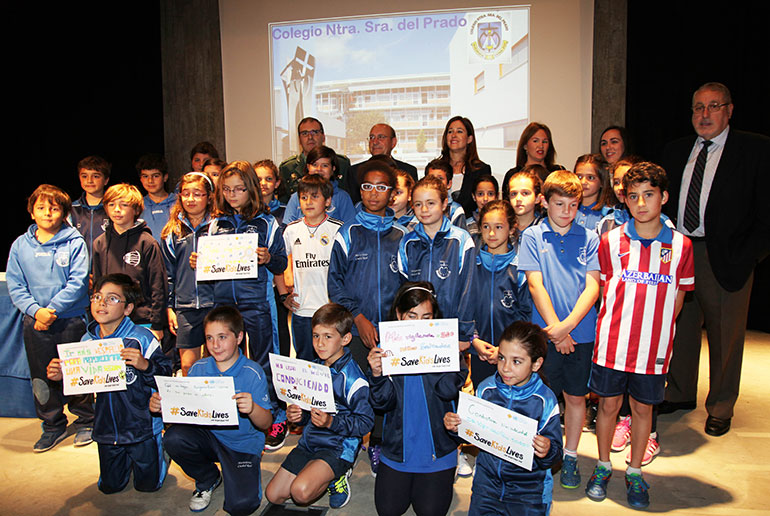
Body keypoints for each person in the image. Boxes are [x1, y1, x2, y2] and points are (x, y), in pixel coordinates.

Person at [660, 82, 770, 437]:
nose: (704, 115)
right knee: (681, 328)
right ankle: (679, 392)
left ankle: (721, 404)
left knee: (726, 335)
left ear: (729, 110)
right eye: (698, 108)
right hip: (681, 251)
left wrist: (750, 255)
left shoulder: (755, 149)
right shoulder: (676, 150)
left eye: (713, 106)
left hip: (727, 256)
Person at [585, 162, 694, 509]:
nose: (641, 203)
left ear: (664, 197)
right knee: (608, 407)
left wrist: (656, 328)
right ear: (624, 201)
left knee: (643, 411)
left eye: (649, 195)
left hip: (653, 349)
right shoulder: (611, 241)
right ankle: (603, 465)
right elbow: (604, 289)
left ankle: (634, 471)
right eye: (633, 196)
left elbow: (678, 298)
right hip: (612, 346)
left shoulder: (681, 246)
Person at [46, 274, 172, 494]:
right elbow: (81, 384)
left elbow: (166, 375)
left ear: (128, 308)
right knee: (109, 487)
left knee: (148, 487)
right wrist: (62, 376)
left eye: (112, 298)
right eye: (97, 297)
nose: (101, 303)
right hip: (106, 428)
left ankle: (161, 454)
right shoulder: (87, 342)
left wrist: (145, 365)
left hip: (141, 427)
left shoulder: (142, 338)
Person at [518, 170, 600, 490]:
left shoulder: (590, 237)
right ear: (544, 202)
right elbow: (536, 285)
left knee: (576, 398)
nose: (567, 211)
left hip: (580, 333)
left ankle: (569, 455)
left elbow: (593, 287)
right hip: (546, 335)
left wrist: (568, 328)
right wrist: (556, 331)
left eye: (573, 204)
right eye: (559, 204)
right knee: (544, 398)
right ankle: (543, 455)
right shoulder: (533, 237)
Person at [327, 160, 407, 476]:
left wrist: (399, 323)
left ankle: (378, 442)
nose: (374, 194)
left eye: (382, 187)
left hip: (394, 330)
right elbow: (335, 282)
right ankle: (348, 447)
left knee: (387, 389)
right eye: (367, 186)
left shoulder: (403, 234)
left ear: (392, 193)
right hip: (357, 329)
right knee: (357, 387)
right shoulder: (347, 233)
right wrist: (358, 317)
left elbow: (410, 284)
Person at [153, 306, 273, 515]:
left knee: (243, 506)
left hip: (241, 445)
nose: (215, 345)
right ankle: (207, 477)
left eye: (222, 337)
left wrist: (253, 408)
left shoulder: (253, 373)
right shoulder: (199, 368)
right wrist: (163, 406)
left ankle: (237, 472)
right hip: (208, 438)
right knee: (173, 438)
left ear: (239, 337)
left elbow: (266, 424)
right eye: (209, 338)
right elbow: (184, 411)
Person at [367, 282, 467, 516]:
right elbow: (382, 404)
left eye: (426, 317)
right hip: (397, 447)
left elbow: (446, 391)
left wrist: (432, 354)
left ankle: (449, 466)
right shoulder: (385, 351)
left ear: (435, 318)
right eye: (412, 316)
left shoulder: (449, 348)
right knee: (388, 509)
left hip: (438, 449)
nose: (419, 324)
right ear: (400, 315)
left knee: (430, 511)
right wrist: (377, 375)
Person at [207, 160, 288, 446]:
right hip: (224, 305)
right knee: (227, 358)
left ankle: (275, 416)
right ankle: (233, 412)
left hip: (258, 301)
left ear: (251, 188)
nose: (232, 195)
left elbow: (281, 260)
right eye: (227, 189)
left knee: (266, 357)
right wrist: (199, 261)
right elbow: (209, 264)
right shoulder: (216, 224)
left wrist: (268, 258)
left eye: (239, 189)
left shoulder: (268, 222)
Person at [7, 184, 93, 452]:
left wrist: (52, 310)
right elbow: (15, 285)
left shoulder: (75, 242)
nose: (47, 213)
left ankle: (86, 421)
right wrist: (37, 312)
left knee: (77, 372)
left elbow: (78, 282)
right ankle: (52, 425)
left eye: (54, 208)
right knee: (42, 377)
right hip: (36, 323)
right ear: (32, 212)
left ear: (64, 213)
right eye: (41, 208)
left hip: (71, 320)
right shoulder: (20, 245)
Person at [444, 321, 562, 516]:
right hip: (487, 486)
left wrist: (547, 449)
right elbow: (473, 434)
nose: (506, 368)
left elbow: (556, 454)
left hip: (528, 493)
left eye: (516, 361)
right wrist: (456, 427)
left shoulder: (545, 401)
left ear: (536, 363)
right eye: (501, 358)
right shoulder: (486, 389)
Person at [265, 303, 374, 510]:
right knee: (273, 495)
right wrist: (298, 415)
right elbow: (309, 411)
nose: (320, 343)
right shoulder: (313, 368)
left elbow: (365, 422)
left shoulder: (353, 379)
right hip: (310, 441)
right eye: (316, 336)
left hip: (337, 447)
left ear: (345, 339)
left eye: (328, 336)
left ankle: (338, 475)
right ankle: (316, 470)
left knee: (300, 492)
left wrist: (331, 421)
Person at [397, 175, 476, 347]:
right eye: (418, 204)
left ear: (444, 204)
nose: (424, 209)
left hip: (450, 332)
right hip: (415, 332)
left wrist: (463, 334)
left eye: (431, 203)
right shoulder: (407, 242)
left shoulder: (461, 240)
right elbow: (402, 289)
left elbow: (468, 291)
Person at [278, 175, 344, 361]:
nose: (308, 202)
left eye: (315, 196)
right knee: (305, 362)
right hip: (302, 311)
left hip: (330, 310)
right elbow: (278, 264)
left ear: (328, 200)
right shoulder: (291, 230)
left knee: (332, 361)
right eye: (304, 197)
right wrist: (284, 295)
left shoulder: (338, 229)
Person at [92, 183, 168, 341]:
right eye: (111, 204)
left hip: (142, 321)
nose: (117, 209)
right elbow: (97, 287)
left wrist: (157, 324)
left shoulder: (147, 243)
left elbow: (158, 286)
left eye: (124, 205)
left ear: (136, 209)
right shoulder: (100, 243)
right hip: (110, 322)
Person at [469, 200, 532, 388]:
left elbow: (526, 315)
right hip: (481, 350)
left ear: (512, 229)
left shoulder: (520, 269)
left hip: (513, 354)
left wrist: (504, 350)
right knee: (485, 402)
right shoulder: (472, 266)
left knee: (511, 406)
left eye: (499, 227)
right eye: (486, 227)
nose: (491, 233)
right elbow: (464, 308)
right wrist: (474, 340)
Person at [160, 171, 216, 376]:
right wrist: (170, 307)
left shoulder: (220, 226)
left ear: (209, 196)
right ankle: (195, 408)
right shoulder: (172, 231)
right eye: (186, 193)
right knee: (188, 367)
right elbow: (168, 274)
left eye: (198, 194)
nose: (191, 199)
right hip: (186, 307)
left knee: (217, 365)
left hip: (215, 304)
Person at [278, 117, 351, 202]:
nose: (310, 137)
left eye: (315, 132)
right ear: (299, 139)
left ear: (323, 137)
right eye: (305, 133)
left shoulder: (342, 163)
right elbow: (283, 205)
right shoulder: (287, 168)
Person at [283, 146, 356, 226]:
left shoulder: (342, 197)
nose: (319, 169)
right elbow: (288, 227)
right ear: (308, 167)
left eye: (325, 165)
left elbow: (349, 228)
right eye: (314, 165)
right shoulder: (296, 197)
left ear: (333, 168)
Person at [347, 124, 418, 204]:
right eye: (372, 137)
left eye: (381, 137)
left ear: (393, 142)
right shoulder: (354, 171)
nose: (375, 142)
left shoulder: (408, 171)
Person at [438, 116, 491, 217]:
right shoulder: (435, 168)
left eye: (459, 131)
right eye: (450, 132)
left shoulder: (481, 170)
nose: (453, 135)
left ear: (469, 139)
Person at [501, 122, 565, 195]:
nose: (541, 146)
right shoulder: (513, 174)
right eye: (535, 141)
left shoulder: (558, 172)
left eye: (545, 141)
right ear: (525, 145)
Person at [69, 155, 111, 262]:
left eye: (96, 176)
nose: (89, 180)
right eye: (84, 176)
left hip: (107, 269)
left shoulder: (113, 209)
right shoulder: (71, 209)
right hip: (79, 269)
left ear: (106, 180)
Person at [136, 153, 177, 242]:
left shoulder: (178, 203)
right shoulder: (137, 205)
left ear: (165, 177)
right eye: (145, 176)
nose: (150, 181)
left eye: (155, 176)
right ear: (140, 179)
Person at [574, 154, 614, 234]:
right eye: (579, 177)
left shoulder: (608, 214)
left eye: (590, 178)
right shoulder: (567, 210)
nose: (583, 182)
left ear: (602, 182)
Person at [424, 159, 468, 229]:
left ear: (449, 184)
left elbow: (461, 237)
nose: (435, 182)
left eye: (440, 178)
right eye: (431, 178)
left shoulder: (455, 210)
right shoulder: (420, 206)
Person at [506, 169, 545, 241]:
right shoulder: (503, 227)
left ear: (537, 198)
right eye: (513, 194)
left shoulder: (544, 228)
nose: (518, 199)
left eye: (525, 193)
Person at [465, 174, 499, 244]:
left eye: (490, 194)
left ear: (497, 196)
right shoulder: (467, 225)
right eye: (480, 194)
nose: (485, 199)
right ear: (474, 196)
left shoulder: (503, 223)